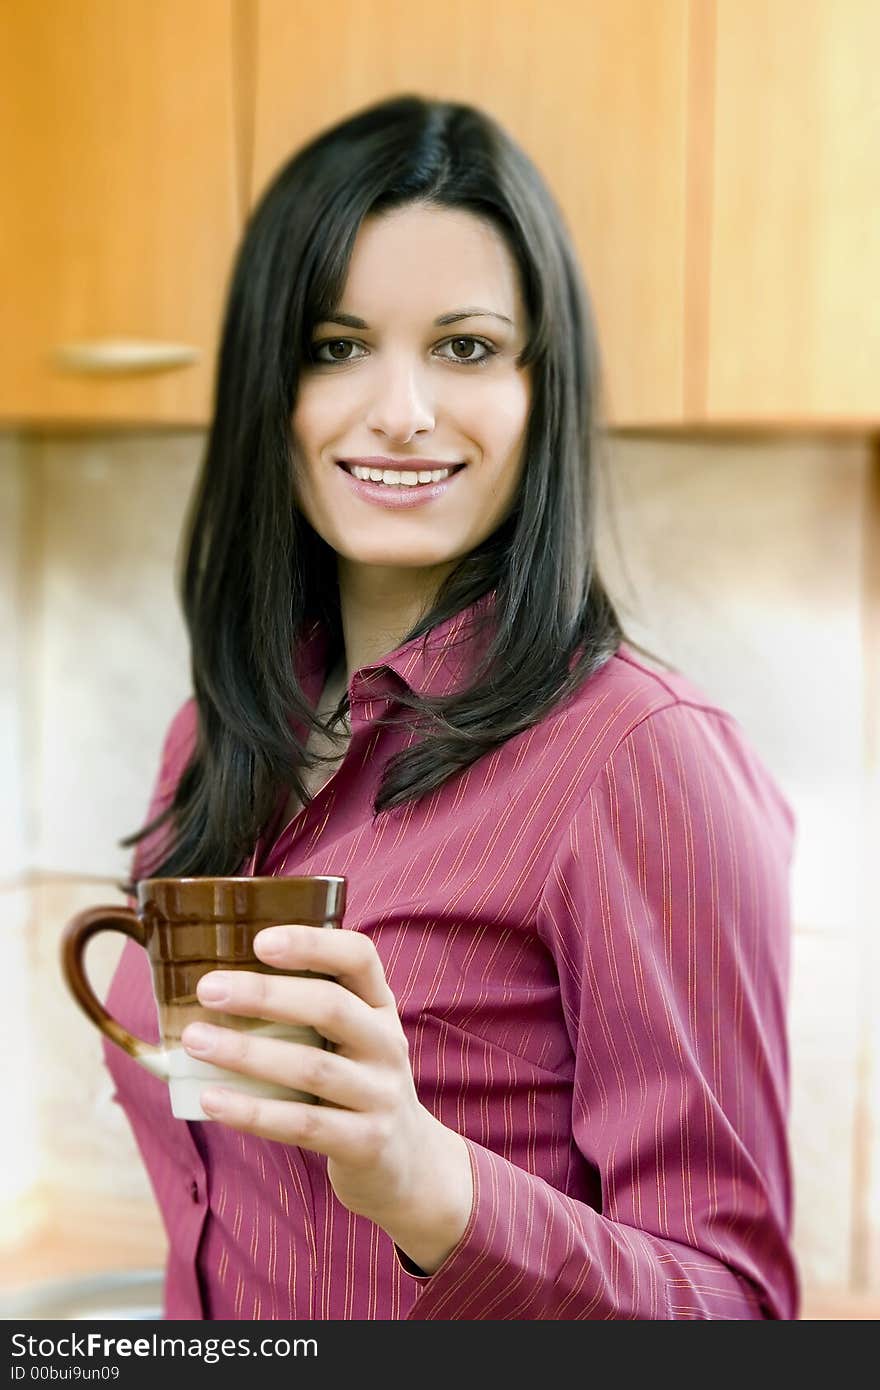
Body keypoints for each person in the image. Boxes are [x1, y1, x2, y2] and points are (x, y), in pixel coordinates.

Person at [105, 94, 799, 1320]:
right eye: (334, 344)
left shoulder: (642, 761)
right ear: (272, 389)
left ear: (543, 390)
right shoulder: (218, 736)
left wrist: (430, 1184)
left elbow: (737, 1308)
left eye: (466, 347)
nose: (402, 412)